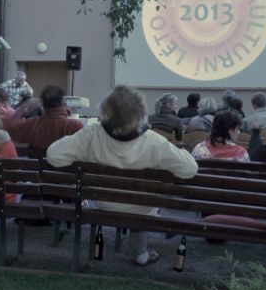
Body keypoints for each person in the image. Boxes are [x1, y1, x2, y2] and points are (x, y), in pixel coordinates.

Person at [46, 85, 198, 266]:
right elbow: (190, 169)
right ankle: (141, 253)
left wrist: (84, 153)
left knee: (138, 203)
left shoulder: (91, 134)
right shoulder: (154, 141)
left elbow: (53, 155)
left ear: (106, 110)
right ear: (140, 112)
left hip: (104, 202)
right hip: (142, 207)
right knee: (144, 204)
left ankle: (136, 250)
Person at [3, 85, 84, 149]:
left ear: (42, 105)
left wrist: (24, 107)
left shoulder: (32, 124)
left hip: (37, 165)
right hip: (65, 166)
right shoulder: (75, 126)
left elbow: (7, 127)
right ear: (63, 103)